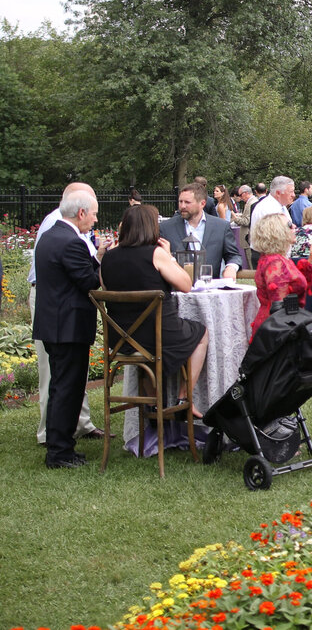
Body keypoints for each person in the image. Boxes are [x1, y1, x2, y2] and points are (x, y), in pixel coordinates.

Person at [101, 204, 209, 414]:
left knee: (148, 338)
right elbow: (186, 285)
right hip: (159, 336)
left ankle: (151, 405)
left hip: (121, 339)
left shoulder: (108, 258)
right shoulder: (156, 254)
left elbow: (106, 289)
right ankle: (183, 398)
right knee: (202, 333)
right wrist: (168, 256)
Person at [30, 183, 108, 448]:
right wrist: (100, 260)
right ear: (82, 213)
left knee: (58, 388)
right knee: (68, 390)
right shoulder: (71, 241)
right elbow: (88, 282)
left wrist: (94, 257)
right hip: (68, 328)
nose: (96, 219)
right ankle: (60, 450)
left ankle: (57, 442)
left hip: (53, 325)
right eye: (94, 214)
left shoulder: (51, 236)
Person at [248, 213, 312, 337]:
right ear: (277, 232)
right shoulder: (275, 262)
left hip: (280, 324)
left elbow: (292, 286)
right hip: (278, 330)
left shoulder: (275, 258)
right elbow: (279, 308)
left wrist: (311, 261)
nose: (295, 226)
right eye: (290, 225)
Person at [159, 182, 242, 279]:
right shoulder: (166, 228)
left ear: (202, 203)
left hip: (210, 289)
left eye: (187, 202)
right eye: (180, 201)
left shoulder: (221, 227)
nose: (182, 206)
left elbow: (233, 255)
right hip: (176, 290)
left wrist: (231, 268)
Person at [248, 176, 296, 268]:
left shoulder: (280, 207)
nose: (293, 195)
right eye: (291, 192)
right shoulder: (267, 208)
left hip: (277, 257)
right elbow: (275, 238)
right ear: (278, 193)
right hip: (269, 259)